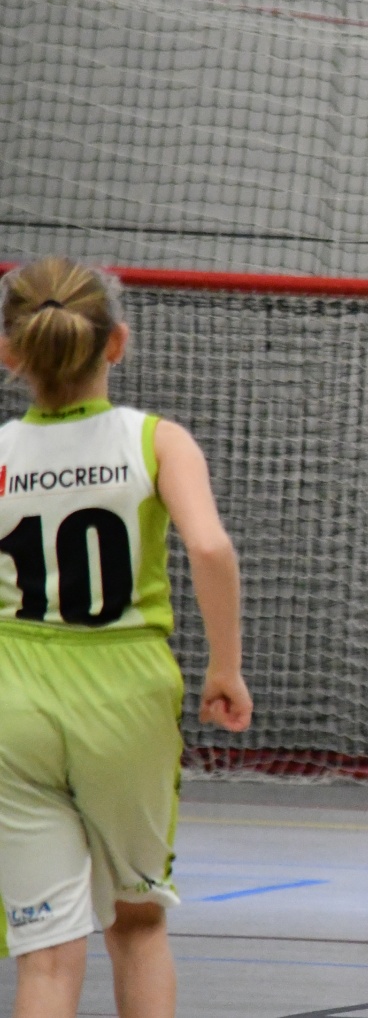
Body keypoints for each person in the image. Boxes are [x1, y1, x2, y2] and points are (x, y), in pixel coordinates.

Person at [0, 257, 252, 1018]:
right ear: (118, 342)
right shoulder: (156, 440)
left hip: (14, 692)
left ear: (11, 353)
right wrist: (226, 668)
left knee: (46, 954)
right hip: (124, 690)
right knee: (137, 926)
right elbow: (209, 547)